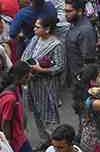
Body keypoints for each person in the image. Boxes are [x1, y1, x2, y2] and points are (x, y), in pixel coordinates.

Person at [22, 16, 64, 146]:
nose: (34, 29)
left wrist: (40, 70)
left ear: (47, 29)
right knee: (37, 114)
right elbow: (25, 55)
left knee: (49, 115)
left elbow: (59, 66)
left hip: (46, 86)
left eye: (37, 27)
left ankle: (57, 143)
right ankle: (45, 142)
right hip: (33, 85)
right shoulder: (35, 39)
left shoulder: (56, 45)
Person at [0, 62, 32, 152]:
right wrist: (7, 141)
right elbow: (6, 121)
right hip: (16, 140)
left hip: (20, 135)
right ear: (21, 77)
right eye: (27, 76)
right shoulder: (10, 98)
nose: (30, 77)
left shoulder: (17, 88)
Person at [64, 0, 97, 87]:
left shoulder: (85, 31)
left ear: (79, 11)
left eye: (69, 11)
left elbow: (89, 59)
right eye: (65, 11)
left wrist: (85, 80)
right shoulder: (74, 24)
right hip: (75, 74)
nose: (66, 14)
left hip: (83, 78)